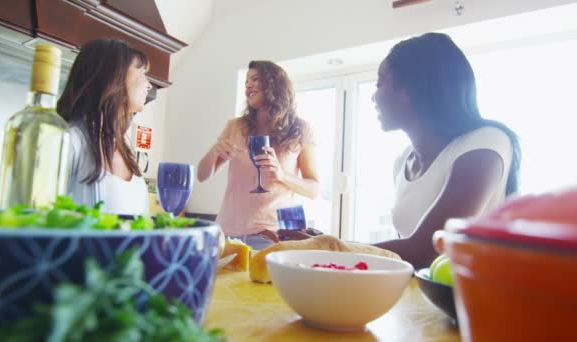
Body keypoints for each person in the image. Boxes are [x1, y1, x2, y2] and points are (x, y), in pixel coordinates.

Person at [279, 32, 521, 269]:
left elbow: (428, 249)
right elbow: (403, 255)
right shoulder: (403, 161)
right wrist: (324, 242)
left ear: (409, 90)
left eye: (381, 82)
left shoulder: (485, 144)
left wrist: (327, 247)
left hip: (477, 304)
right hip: (420, 300)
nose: (374, 96)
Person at [197, 60, 320, 250]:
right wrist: (215, 150)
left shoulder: (301, 129)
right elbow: (202, 175)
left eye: (255, 79)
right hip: (226, 235)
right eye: (246, 81)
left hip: (272, 236)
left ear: (274, 84)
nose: (248, 85)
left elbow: (314, 189)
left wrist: (281, 175)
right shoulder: (235, 126)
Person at [57, 38, 152, 215]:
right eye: (142, 73)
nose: (149, 85)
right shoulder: (70, 141)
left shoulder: (126, 148)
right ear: (114, 77)